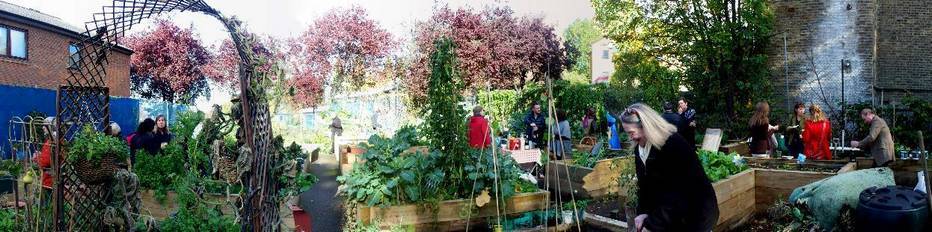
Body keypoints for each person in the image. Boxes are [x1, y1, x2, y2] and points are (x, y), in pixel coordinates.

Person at [620, 103, 718, 232]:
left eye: (631, 133)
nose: (630, 137)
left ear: (645, 126)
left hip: (695, 215)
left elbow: (677, 195)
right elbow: (645, 187)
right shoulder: (640, 150)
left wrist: (651, 224)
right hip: (673, 215)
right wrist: (642, 213)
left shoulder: (672, 144)